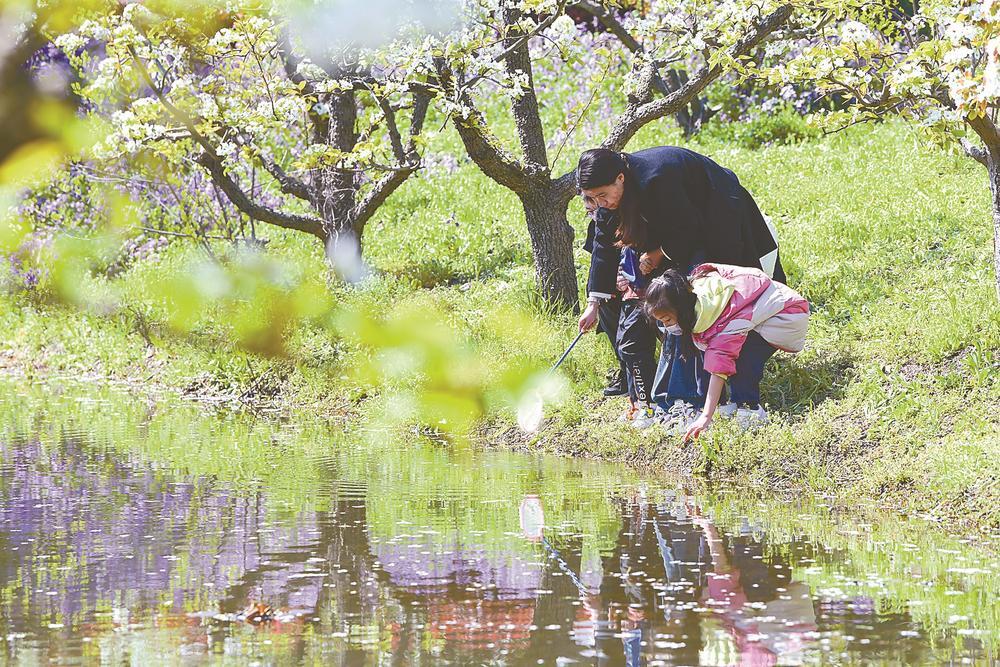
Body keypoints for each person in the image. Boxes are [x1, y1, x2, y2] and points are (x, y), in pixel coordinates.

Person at [575, 147, 783, 428]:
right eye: (593, 198)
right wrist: (593, 304)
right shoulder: (608, 202)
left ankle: (695, 396)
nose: (601, 202)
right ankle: (679, 390)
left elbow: (688, 228)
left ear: (621, 178)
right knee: (646, 303)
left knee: (693, 302)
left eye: (604, 194)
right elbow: (603, 246)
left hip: (716, 215)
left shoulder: (658, 178)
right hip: (677, 230)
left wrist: (658, 254)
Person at [642, 264, 810, 440]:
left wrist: (705, 417)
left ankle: (750, 410)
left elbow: (719, 369)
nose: (667, 327)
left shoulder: (721, 320)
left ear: (682, 309)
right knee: (706, 349)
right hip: (761, 310)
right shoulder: (695, 294)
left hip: (787, 317)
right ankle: (722, 405)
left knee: (742, 356)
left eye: (668, 320)